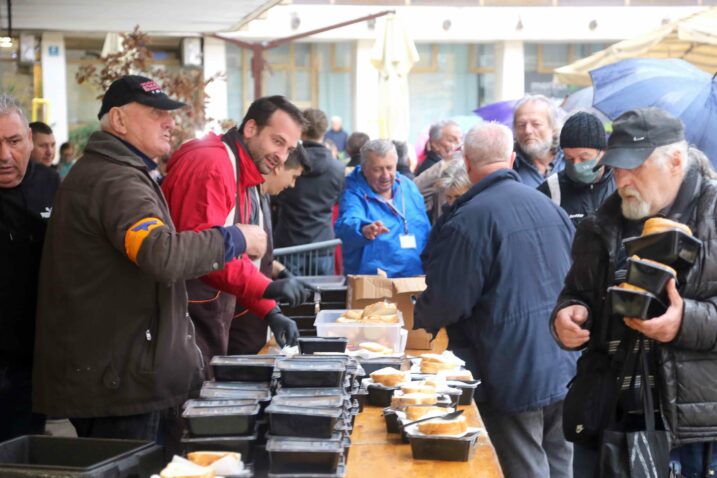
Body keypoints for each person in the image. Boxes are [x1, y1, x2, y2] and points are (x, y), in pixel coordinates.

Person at [32, 75, 266, 450]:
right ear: (120, 121)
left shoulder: (121, 172)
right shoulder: (116, 180)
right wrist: (235, 237)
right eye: (157, 113)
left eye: (169, 114)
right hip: (119, 384)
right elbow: (163, 254)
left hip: (118, 374)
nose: (170, 122)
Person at [551, 108, 717, 476]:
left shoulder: (713, 213)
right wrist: (566, 316)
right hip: (607, 418)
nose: (622, 179)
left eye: (634, 167)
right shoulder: (600, 225)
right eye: (617, 167)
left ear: (675, 161)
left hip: (691, 433)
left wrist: (684, 321)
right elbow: (575, 294)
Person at [415, 122, 577, 477]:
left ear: (467, 163)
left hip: (510, 367)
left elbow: (449, 300)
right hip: (562, 362)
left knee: (526, 467)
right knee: (560, 463)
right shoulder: (550, 208)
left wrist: (417, 318)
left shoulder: (469, 219)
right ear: (512, 158)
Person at [162, 95, 307, 367]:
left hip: (207, 312)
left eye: (288, 149)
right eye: (277, 142)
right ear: (250, 129)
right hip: (188, 316)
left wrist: (268, 309)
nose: (281, 157)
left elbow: (230, 253)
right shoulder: (213, 164)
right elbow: (204, 251)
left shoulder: (240, 170)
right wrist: (269, 287)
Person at [0, 95, 59, 441]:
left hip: (37, 354)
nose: (4, 156)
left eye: (14, 141)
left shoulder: (51, 185)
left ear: (28, 140)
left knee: (26, 447)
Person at [229, 145, 311, 355]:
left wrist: (280, 271)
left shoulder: (262, 196)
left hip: (255, 308)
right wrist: (271, 308)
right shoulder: (245, 197)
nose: (292, 185)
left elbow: (256, 256)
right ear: (278, 166)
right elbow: (236, 260)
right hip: (240, 313)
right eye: (293, 176)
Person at [335, 139, 430, 278]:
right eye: (377, 169)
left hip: (415, 279)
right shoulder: (354, 193)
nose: (385, 176)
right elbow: (347, 222)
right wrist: (363, 229)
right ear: (365, 169)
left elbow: (425, 229)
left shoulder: (408, 187)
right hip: (375, 284)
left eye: (389, 168)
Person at [273, 108, 344, 276]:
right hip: (321, 245)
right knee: (323, 300)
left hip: (289, 244)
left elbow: (274, 197)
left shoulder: (286, 164)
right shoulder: (338, 169)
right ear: (325, 131)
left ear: (301, 130)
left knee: (288, 300)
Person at [537, 111, 615, 227]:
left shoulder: (621, 183)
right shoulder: (551, 190)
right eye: (569, 158)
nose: (576, 165)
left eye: (584, 159)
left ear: (602, 153)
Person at [512, 94, 564, 187]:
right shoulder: (510, 165)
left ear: (553, 127)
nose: (528, 131)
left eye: (536, 124)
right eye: (521, 125)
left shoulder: (570, 159)